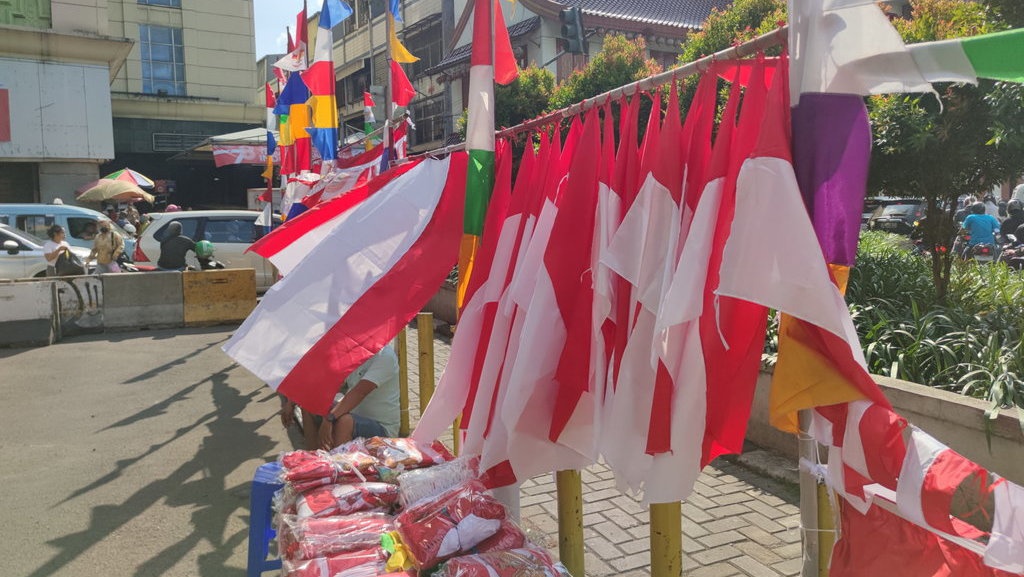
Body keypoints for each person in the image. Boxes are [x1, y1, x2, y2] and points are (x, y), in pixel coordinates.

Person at [281, 345, 400, 450]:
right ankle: (314, 461)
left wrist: (329, 419)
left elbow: (359, 392)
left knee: (344, 421)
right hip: (353, 416)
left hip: (381, 429)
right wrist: (292, 401)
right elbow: (327, 383)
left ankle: (338, 469)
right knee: (309, 405)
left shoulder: (385, 357)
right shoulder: (355, 353)